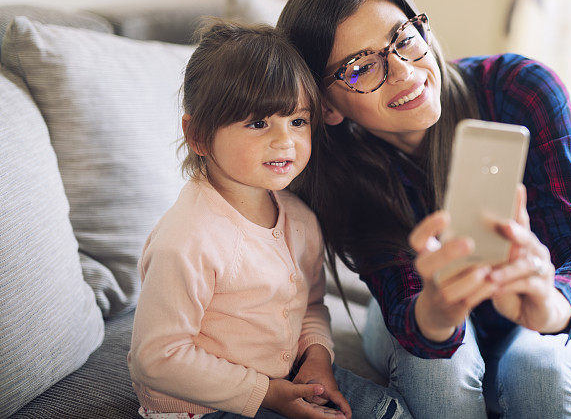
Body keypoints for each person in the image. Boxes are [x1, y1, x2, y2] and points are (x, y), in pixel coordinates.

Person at [278, 0, 571, 419]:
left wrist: (551, 306)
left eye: (403, 38)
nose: (402, 70)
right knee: (439, 369)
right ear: (328, 107)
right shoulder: (340, 176)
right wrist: (436, 311)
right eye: (360, 68)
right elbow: (405, 304)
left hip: (540, 299)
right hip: (419, 307)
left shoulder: (519, 90)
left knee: (539, 371)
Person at [127, 21, 407, 419]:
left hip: (287, 378)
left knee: (389, 410)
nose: (285, 141)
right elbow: (156, 358)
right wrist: (267, 393)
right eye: (259, 123)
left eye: (297, 121)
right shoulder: (186, 239)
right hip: (203, 406)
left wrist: (317, 357)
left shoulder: (300, 219)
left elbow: (311, 305)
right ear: (198, 136)